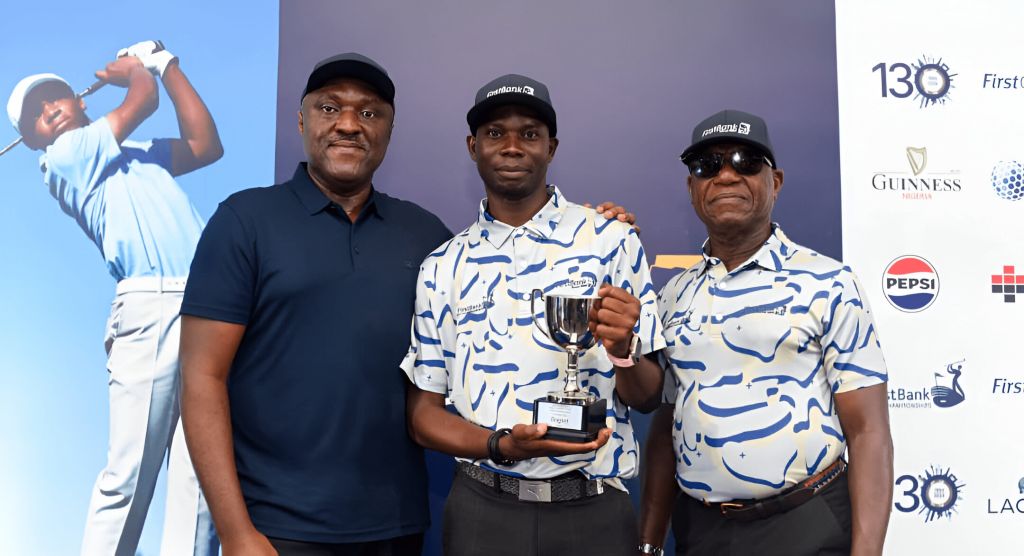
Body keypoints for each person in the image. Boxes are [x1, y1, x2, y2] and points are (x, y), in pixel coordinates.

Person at [401, 73, 666, 556]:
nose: (512, 146)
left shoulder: (609, 240)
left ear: (551, 147)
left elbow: (648, 396)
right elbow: (423, 416)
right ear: (472, 146)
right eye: (495, 133)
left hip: (594, 512)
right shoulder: (443, 266)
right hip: (484, 509)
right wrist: (503, 445)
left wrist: (625, 351)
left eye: (529, 133)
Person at [637, 109, 893, 556]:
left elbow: (869, 430)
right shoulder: (672, 296)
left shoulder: (828, 283)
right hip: (703, 530)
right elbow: (666, 426)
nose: (727, 175)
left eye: (746, 161)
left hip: (807, 524)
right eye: (708, 165)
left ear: (774, 181)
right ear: (692, 188)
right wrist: (649, 544)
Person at [6, 41, 222, 556]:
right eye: (37, 114)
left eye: (55, 98)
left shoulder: (140, 155)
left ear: (81, 100)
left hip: (209, 308)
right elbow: (141, 101)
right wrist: (136, 71)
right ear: (32, 140)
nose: (51, 110)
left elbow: (206, 143)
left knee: (200, 482)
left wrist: (167, 66)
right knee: (129, 473)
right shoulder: (63, 160)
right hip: (149, 307)